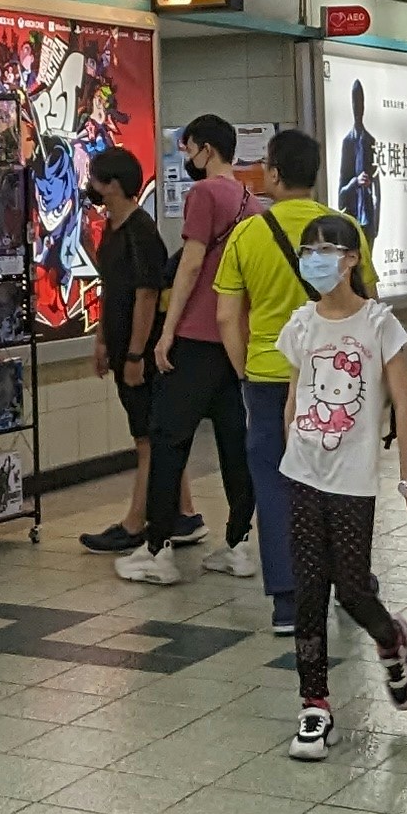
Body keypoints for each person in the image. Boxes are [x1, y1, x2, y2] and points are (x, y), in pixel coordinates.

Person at [265, 213, 407, 762]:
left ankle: (389, 638)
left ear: (352, 259)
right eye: (307, 251)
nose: (314, 260)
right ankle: (315, 705)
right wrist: (292, 449)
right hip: (303, 471)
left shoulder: (380, 324)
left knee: (352, 586)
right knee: (309, 587)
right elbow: (295, 395)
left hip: (354, 479)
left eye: (326, 250)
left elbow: (402, 404)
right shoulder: (302, 322)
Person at [115, 117, 258, 583]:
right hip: (236, 344)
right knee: (236, 444)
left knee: (168, 438)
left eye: (188, 148)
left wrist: (167, 331)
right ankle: (238, 543)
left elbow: (191, 265)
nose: (185, 158)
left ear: (207, 149)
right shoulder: (252, 203)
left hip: (195, 340)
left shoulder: (204, 196)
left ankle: (157, 552)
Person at [210, 129, 335, 633]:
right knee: (334, 483)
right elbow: (367, 303)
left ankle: (288, 601)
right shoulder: (343, 228)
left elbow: (225, 317)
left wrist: (243, 370)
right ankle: (345, 585)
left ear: (276, 174)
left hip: (266, 378)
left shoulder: (249, 233)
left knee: (275, 485)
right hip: (332, 379)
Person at [75, 148, 191, 565]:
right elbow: (111, 289)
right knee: (154, 433)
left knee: (146, 439)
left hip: (141, 352)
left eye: (99, 181)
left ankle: (135, 523)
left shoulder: (142, 231)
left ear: (115, 185)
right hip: (123, 346)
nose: (93, 189)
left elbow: (146, 296)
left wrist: (136, 354)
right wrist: (103, 341)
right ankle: (186, 515)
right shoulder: (112, 229)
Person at [334, 79, 383, 241]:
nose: (358, 108)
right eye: (355, 103)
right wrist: (356, 182)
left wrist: (376, 225)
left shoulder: (371, 141)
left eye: (360, 103)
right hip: (352, 221)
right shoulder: (347, 143)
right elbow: (341, 196)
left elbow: (378, 190)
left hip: (368, 221)